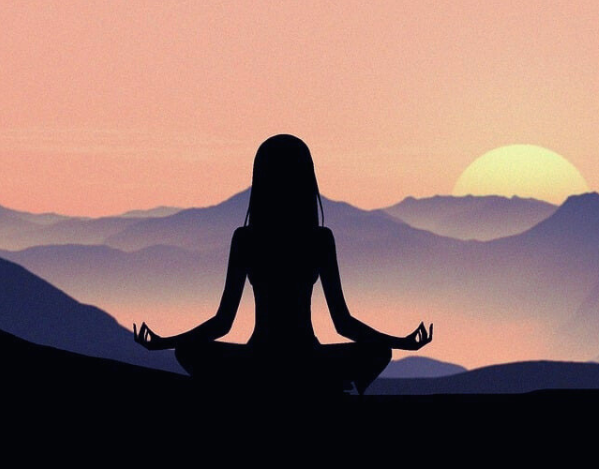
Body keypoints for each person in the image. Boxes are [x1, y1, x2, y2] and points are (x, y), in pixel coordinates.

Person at [135, 134, 431, 395]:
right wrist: (397, 343)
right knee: (378, 352)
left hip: (257, 360)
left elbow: (222, 323)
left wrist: (168, 343)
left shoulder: (247, 238)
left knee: (190, 351)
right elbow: (343, 323)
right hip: (308, 360)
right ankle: (318, 385)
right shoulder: (318, 239)